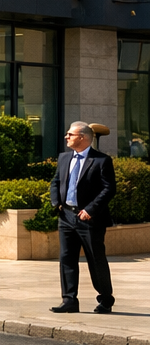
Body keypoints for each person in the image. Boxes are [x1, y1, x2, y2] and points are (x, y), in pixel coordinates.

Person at [48, 121, 117, 315]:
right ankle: (69, 300)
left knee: (95, 259)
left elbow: (109, 188)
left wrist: (90, 209)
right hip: (66, 216)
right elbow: (56, 181)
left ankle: (105, 299)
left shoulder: (101, 160)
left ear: (82, 137)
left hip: (90, 219)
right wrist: (56, 203)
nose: (66, 137)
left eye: (70, 134)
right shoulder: (64, 158)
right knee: (66, 259)